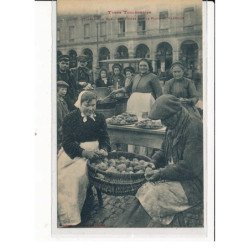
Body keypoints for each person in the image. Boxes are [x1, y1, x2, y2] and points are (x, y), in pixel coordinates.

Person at [116, 95, 203, 227]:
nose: (163, 123)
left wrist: (161, 173)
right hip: (176, 177)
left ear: (175, 113)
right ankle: (125, 229)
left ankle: (131, 231)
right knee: (143, 189)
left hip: (193, 186)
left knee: (151, 196)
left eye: (164, 119)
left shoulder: (194, 128)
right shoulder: (174, 124)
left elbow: (190, 167)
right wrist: (153, 162)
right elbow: (163, 151)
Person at [57, 91, 111, 227]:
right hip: (73, 153)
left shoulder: (100, 118)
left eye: (93, 105)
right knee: (64, 177)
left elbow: (105, 138)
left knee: (78, 177)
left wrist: (104, 149)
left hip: (95, 154)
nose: (91, 108)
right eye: (87, 105)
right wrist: (84, 152)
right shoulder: (70, 118)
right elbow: (67, 142)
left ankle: (81, 209)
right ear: (79, 104)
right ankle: (69, 216)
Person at [57, 80, 70, 151]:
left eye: (66, 90)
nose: (64, 91)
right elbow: (59, 117)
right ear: (57, 89)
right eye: (62, 89)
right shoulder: (57, 101)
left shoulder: (63, 100)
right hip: (61, 129)